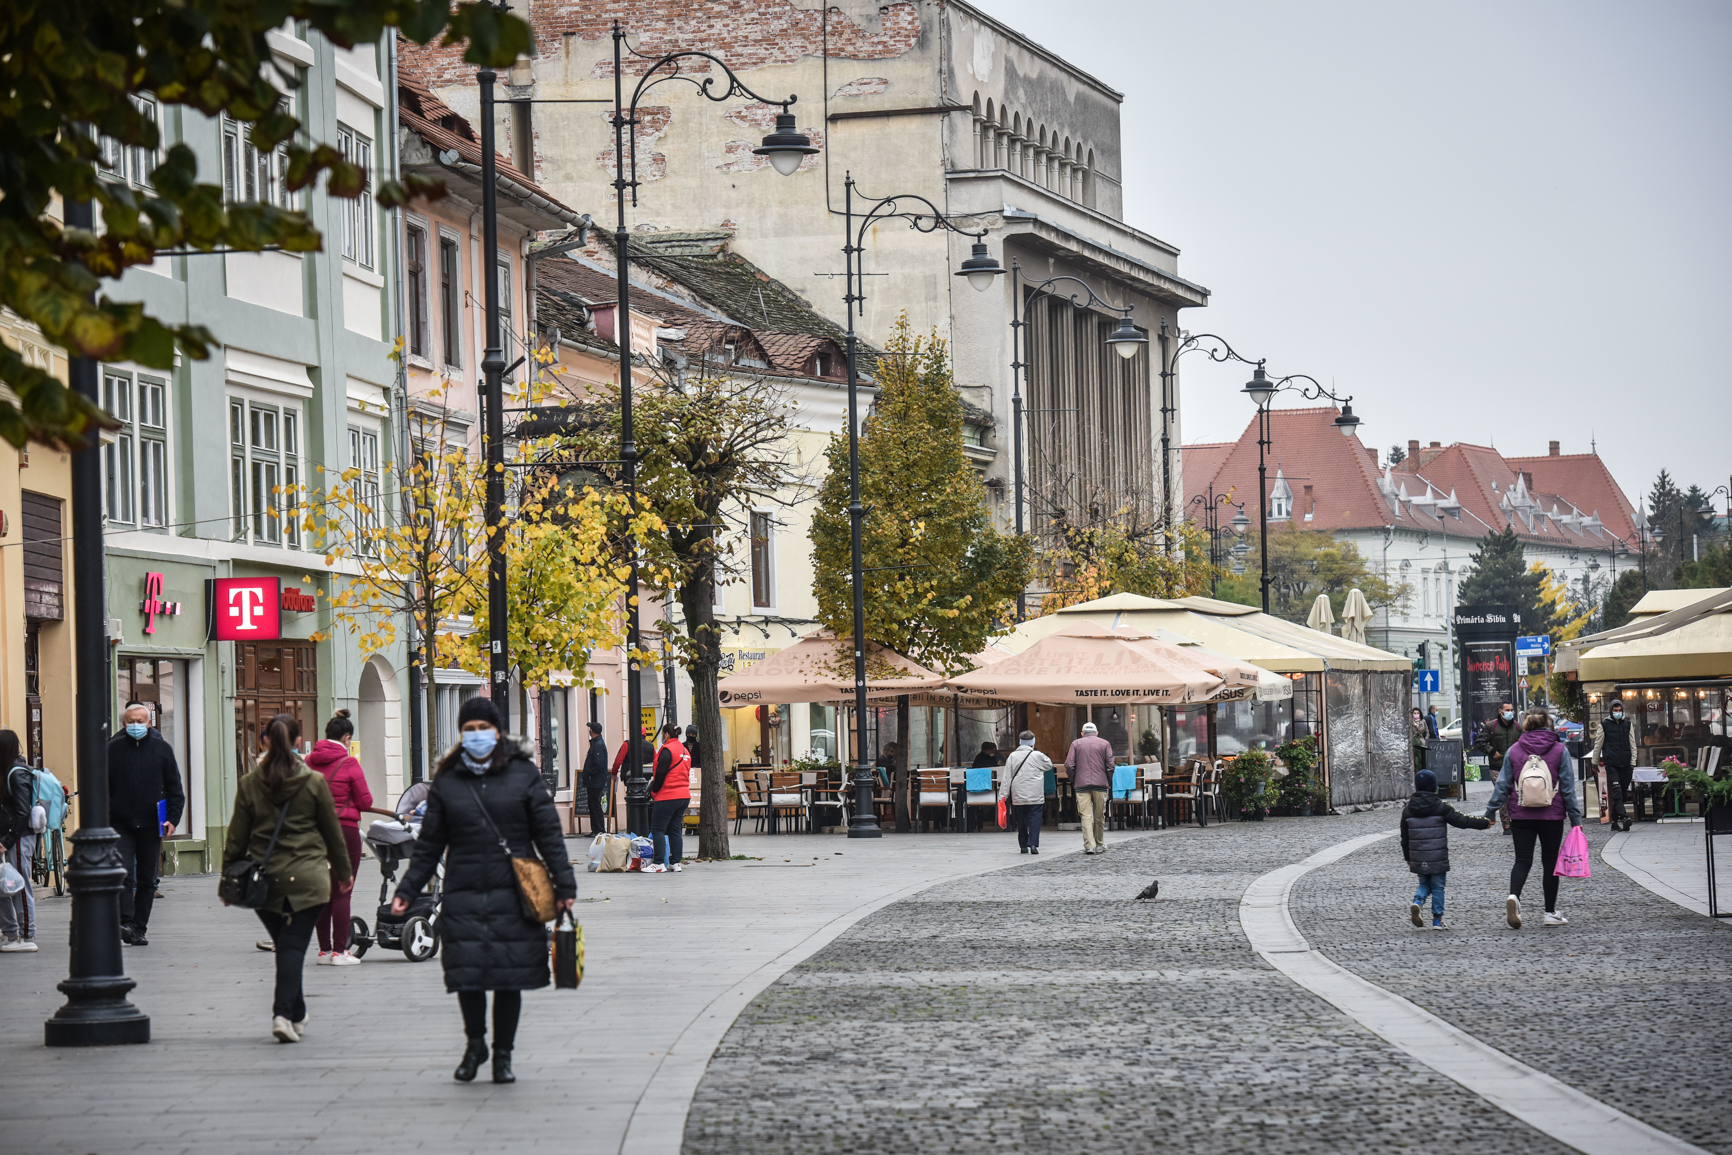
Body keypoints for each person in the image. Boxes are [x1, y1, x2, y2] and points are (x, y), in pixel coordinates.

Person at [392, 697, 576, 1084]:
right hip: (464, 892)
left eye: (483, 728)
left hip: (516, 893)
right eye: (469, 729)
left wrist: (564, 884)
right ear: (462, 734)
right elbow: (430, 842)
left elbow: (549, 835)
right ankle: (475, 1044)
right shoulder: (448, 778)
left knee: (510, 978)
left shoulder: (522, 774)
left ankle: (503, 1056)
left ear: (497, 732)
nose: (476, 735)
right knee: (467, 974)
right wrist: (408, 888)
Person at [223, 713, 350, 1043]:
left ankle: (297, 1012)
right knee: (292, 948)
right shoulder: (313, 782)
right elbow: (331, 831)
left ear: (265, 741)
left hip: (265, 881)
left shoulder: (250, 783)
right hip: (309, 877)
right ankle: (283, 1014)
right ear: (297, 742)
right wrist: (344, 872)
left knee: (287, 946)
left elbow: (236, 836)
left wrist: (227, 878)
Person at [1484, 709, 1582, 929]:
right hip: (1552, 815)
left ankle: (1514, 897)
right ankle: (1550, 912)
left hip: (1521, 814)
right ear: (1549, 725)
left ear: (1525, 726)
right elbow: (1567, 787)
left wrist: (1491, 811)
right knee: (1550, 863)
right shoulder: (1559, 750)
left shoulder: (1515, 750)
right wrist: (1576, 819)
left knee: (1522, 860)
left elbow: (1503, 784)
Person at [109, 701, 185, 946]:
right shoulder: (112, 749)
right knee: (123, 875)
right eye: (130, 721)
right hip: (120, 824)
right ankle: (127, 923)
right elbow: (102, 787)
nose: (135, 725)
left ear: (149, 723)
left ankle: (139, 928)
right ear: (123, 723)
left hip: (153, 825)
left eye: (140, 721)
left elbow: (175, 788)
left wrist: (173, 818)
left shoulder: (162, 749)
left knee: (147, 880)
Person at [306, 710, 373, 965]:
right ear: (347, 738)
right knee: (342, 890)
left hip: (314, 830)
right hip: (344, 829)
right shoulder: (349, 764)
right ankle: (340, 951)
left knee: (322, 890)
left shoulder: (309, 762)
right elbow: (366, 801)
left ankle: (323, 951)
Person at [1400, 768, 1492, 930]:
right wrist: (1484, 823)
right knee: (1437, 887)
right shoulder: (1441, 807)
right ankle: (1437, 920)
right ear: (1434, 787)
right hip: (1438, 856)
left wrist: (1408, 857)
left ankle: (1418, 901)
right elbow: (1462, 821)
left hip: (1418, 856)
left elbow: (1404, 838)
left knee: (1424, 883)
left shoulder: (1407, 810)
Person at [0, 731, 37, 952]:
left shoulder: (16, 774)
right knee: (3, 885)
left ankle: (26, 936)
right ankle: (10, 934)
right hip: (8, 837)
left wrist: (8, 840)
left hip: (18, 837)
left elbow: (23, 813)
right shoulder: (7, 772)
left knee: (20, 885)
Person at [646, 723, 691, 874]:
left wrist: (654, 791)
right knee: (675, 830)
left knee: (658, 829)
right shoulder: (685, 751)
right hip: (684, 795)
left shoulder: (667, 750)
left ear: (666, 734)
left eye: (663, 734)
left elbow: (660, 773)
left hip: (668, 795)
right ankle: (675, 862)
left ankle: (658, 863)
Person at [999, 731, 1053, 855]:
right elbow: (1049, 765)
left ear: (1020, 742)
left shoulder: (1012, 756)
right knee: (1035, 818)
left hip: (1018, 794)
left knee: (1021, 819)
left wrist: (1003, 795)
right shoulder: (1038, 755)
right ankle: (1033, 844)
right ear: (1033, 743)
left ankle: (1023, 845)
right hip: (1036, 793)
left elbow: (1007, 777)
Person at [1065, 722, 1114, 855]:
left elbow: (1069, 765)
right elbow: (1110, 765)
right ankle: (1099, 843)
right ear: (1097, 733)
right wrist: (1107, 779)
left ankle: (1089, 846)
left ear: (1082, 734)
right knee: (1099, 815)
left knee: (1085, 816)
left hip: (1081, 785)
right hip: (1100, 784)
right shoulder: (1105, 744)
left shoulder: (1076, 744)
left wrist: (1074, 778)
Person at [1475, 702, 1522, 834]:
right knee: (1502, 797)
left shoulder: (1517, 727)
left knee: (1515, 796)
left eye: (1512, 710)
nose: (1510, 712)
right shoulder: (1492, 726)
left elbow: (1524, 743)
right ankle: (1506, 825)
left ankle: (1515, 821)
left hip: (1514, 766)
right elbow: (1480, 742)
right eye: (1507, 710)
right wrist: (1492, 751)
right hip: (1497, 767)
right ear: (1500, 711)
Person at [1592, 698, 1634, 831]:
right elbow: (1597, 745)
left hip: (1626, 763)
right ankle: (1624, 816)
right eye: (1615, 710)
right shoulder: (1604, 725)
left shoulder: (1628, 724)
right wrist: (1594, 762)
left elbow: (1632, 744)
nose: (1618, 712)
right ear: (1611, 711)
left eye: (1619, 710)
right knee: (1616, 790)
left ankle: (1614, 822)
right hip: (1611, 763)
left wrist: (1633, 762)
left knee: (1622, 792)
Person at [580, 721, 610, 836]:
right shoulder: (597, 744)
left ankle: (598, 829)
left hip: (595, 781)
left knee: (595, 805)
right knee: (593, 805)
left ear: (592, 731)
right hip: (595, 781)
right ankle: (596, 829)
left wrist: (588, 773)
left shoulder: (597, 745)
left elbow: (599, 765)